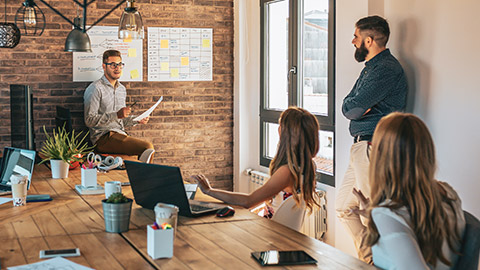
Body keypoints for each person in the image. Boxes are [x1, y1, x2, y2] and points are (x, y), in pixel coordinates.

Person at [335, 15, 408, 263]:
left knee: (372, 213)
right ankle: (369, 260)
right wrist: (357, 107)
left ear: (369, 39)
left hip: (373, 145)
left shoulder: (386, 69)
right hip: (361, 145)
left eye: (356, 36)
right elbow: (348, 106)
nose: (352, 41)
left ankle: (380, 264)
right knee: (344, 208)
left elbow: (353, 108)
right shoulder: (371, 68)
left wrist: (359, 107)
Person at [353, 112, 465, 269]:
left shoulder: (388, 215)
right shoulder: (449, 193)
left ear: (381, 157)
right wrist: (375, 217)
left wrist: (381, 217)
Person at [192, 107, 319, 213]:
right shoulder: (307, 166)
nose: (278, 129)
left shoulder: (286, 172)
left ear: (287, 134)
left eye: (280, 125)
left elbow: (248, 201)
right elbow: (275, 202)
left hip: (272, 235)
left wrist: (209, 191)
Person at [84, 50, 155, 163]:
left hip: (120, 134)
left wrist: (136, 120)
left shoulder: (122, 89)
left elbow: (121, 120)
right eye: (113, 65)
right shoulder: (95, 89)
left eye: (120, 64)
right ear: (104, 66)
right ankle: (144, 178)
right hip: (103, 137)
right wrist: (116, 115)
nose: (117, 68)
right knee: (147, 147)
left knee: (146, 148)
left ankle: (138, 175)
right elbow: (89, 120)